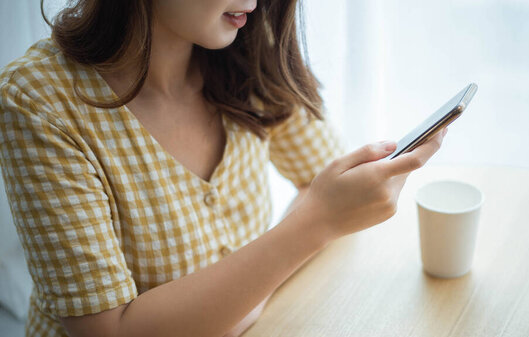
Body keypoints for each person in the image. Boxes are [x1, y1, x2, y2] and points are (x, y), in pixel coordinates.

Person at [0, 0, 446, 336]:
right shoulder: (38, 100)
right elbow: (108, 330)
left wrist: (254, 288)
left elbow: (318, 175)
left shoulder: (247, 45)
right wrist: (313, 226)